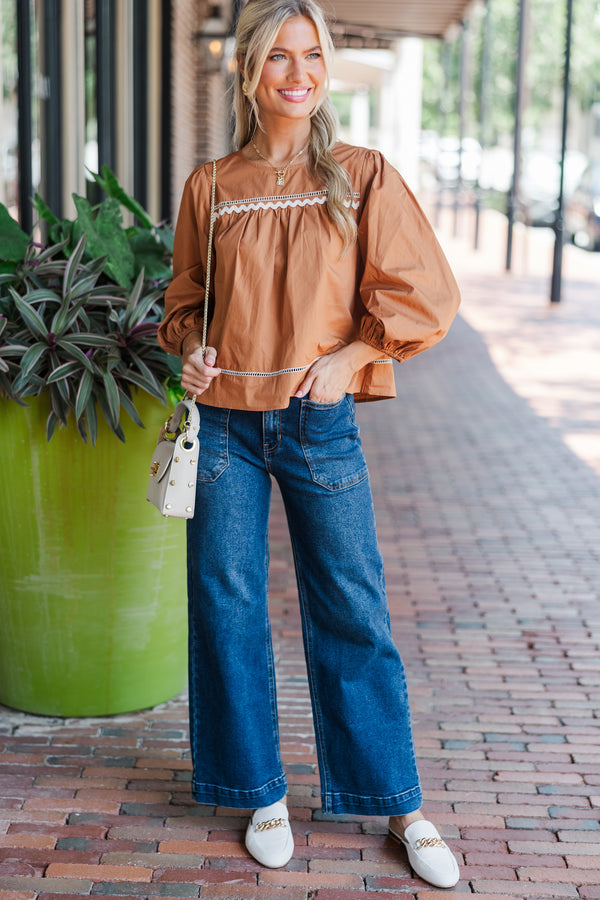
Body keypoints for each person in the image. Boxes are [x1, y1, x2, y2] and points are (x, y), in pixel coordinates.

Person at [157, 0, 461, 888]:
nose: (299, 72)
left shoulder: (361, 174)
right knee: (228, 609)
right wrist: (192, 353)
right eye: (280, 57)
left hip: (317, 421)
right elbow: (183, 302)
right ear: (248, 70)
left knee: (353, 611)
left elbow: (425, 294)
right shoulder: (212, 186)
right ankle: (257, 789)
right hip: (224, 429)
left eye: (312, 56)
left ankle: (399, 801)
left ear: (326, 69)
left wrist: (356, 356)